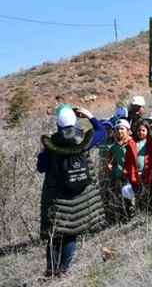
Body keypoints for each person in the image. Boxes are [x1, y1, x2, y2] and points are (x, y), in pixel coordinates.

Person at [37, 105, 106, 278]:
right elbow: (102, 130)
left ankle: (51, 272)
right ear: (75, 123)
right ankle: (63, 272)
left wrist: (41, 155)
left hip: (57, 198)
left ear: (58, 125)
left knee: (55, 234)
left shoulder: (51, 145)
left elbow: (41, 167)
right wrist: (89, 115)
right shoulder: (84, 140)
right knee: (71, 234)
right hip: (80, 196)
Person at [105, 119, 138, 223]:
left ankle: (132, 218)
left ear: (127, 130)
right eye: (117, 129)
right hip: (120, 176)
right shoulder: (115, 145)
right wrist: (110, 164)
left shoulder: (131, 143)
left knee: (132, 198)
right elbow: (114, 159)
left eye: (122, 129)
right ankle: (123, 219)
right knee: (121, 198)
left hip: (130, 175)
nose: (119, 131)